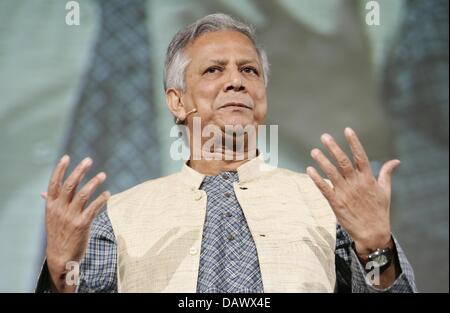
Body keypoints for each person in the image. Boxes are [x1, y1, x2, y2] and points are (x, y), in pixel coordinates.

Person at [36, 13, 416, 293]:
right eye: (214, 70)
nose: (235, 81)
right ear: (178, 101)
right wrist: (59, 269)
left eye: (249, 71)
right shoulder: (119, 216)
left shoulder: (328, 205)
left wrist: (375, 247)